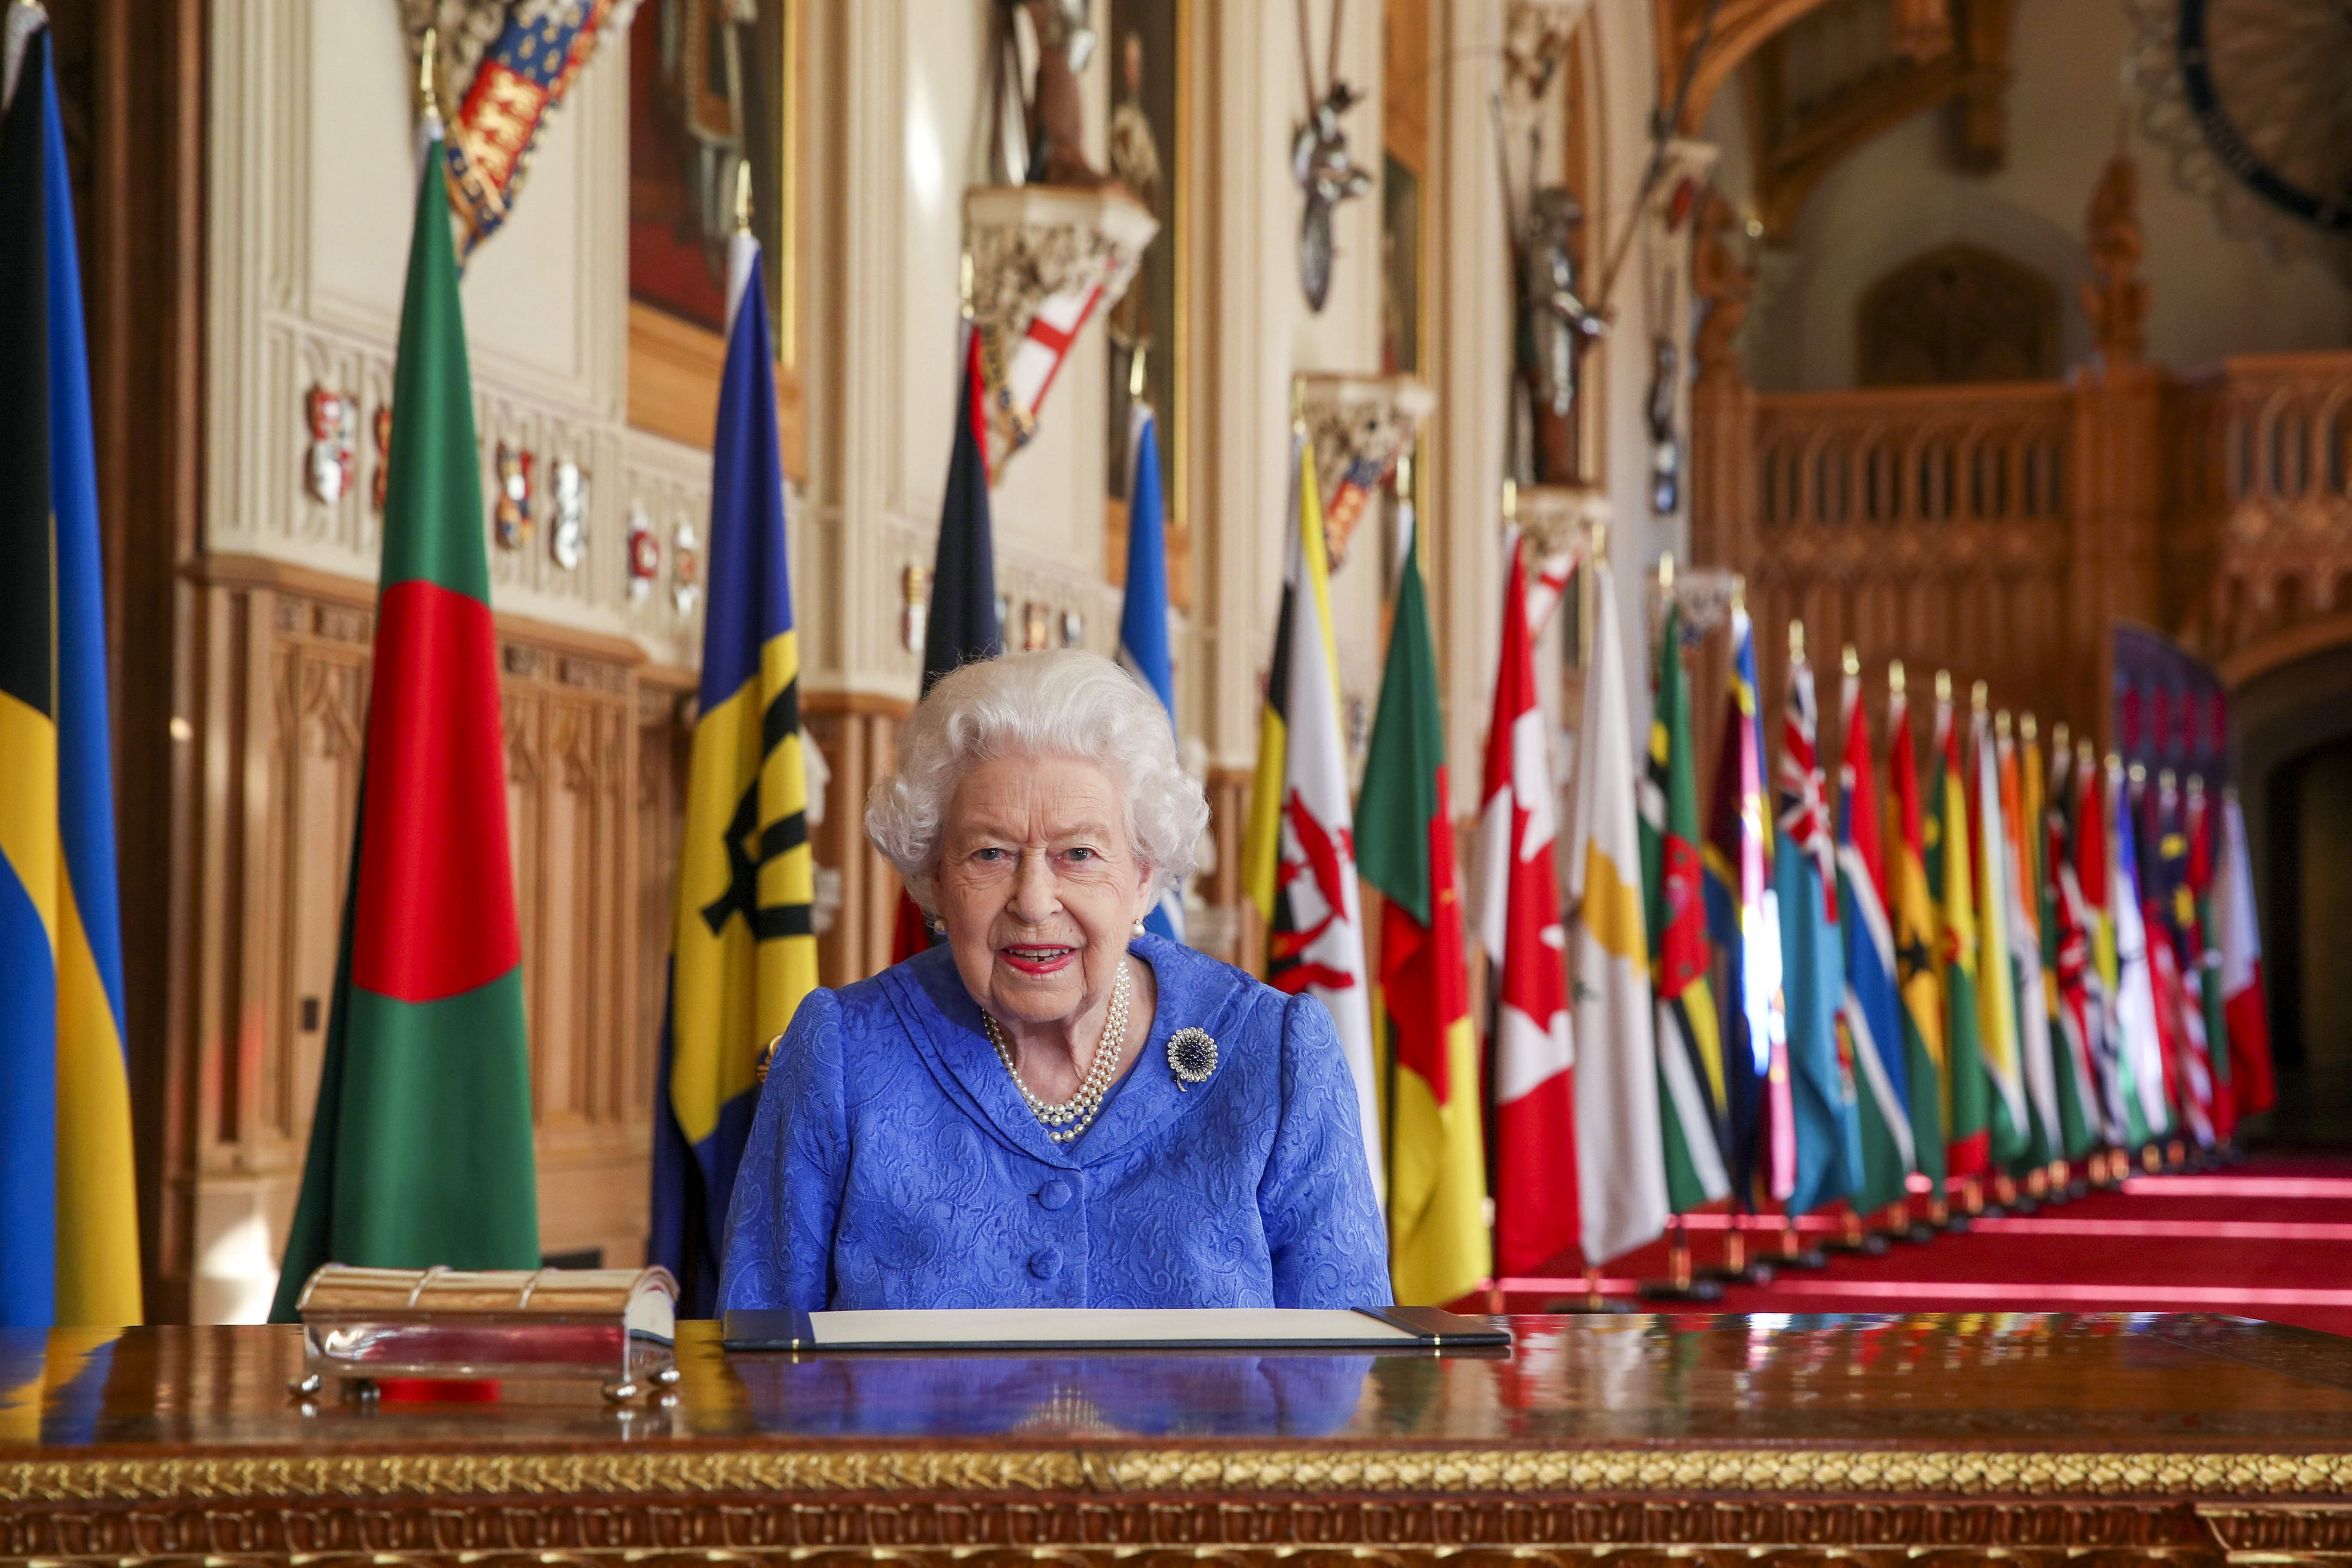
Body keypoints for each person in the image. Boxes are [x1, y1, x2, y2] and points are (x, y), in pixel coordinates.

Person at [717, 649, 1390, 1312]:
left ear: (1144, 876)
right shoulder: (844, 1055)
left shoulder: (1273, 1057)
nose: (1034, 900)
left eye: (1078, 854)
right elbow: (759, 1364)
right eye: (991, 853)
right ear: (934, 879)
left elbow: (1348, 1378)